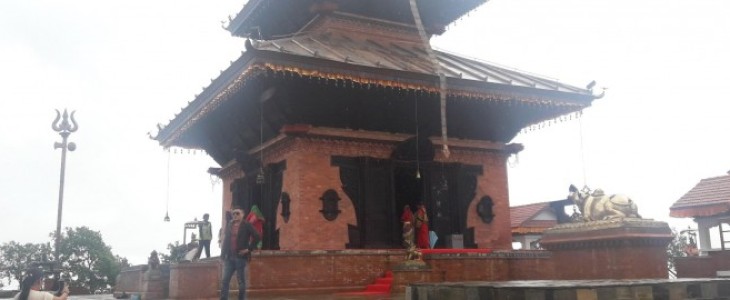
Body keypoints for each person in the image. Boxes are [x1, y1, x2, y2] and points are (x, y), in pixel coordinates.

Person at [220, 207, 260, 300]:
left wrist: (248, 249)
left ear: (242, 214)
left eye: (237, 213)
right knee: (225, 281)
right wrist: (222, 255)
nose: (235, 215)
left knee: (241, 282)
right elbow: (226, 240)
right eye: (233, 214)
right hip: (229, 258)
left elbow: (257, 236)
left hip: (240, 258)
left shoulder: (247, 224)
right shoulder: (230, 224)